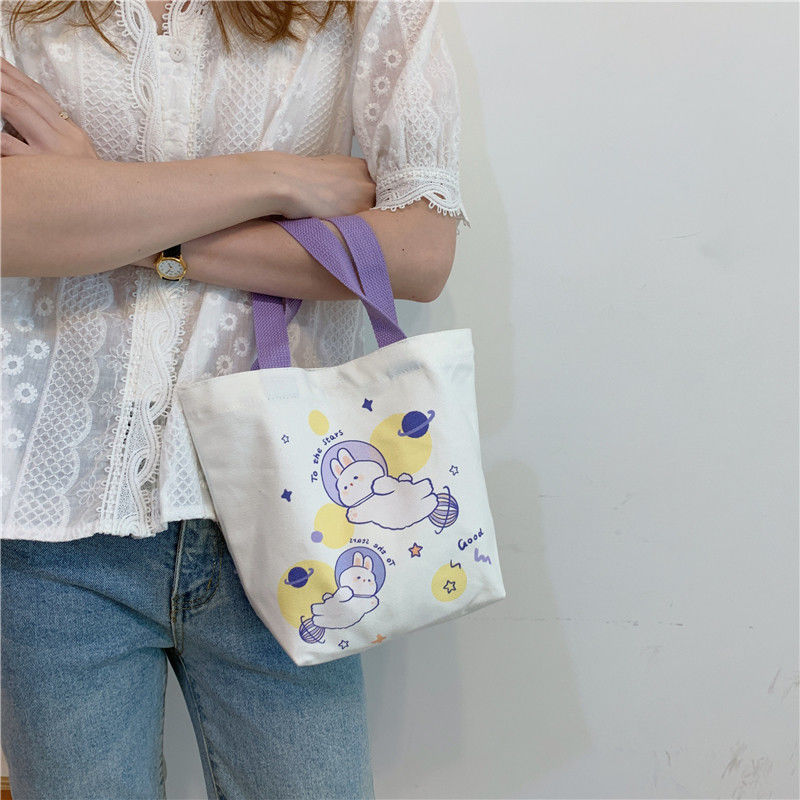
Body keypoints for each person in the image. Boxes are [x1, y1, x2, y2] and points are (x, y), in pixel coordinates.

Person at [0, 0, 470, 797]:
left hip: (302, 517)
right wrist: (275, 177)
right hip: (51, 525)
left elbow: (418, 253)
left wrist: (101, 202)